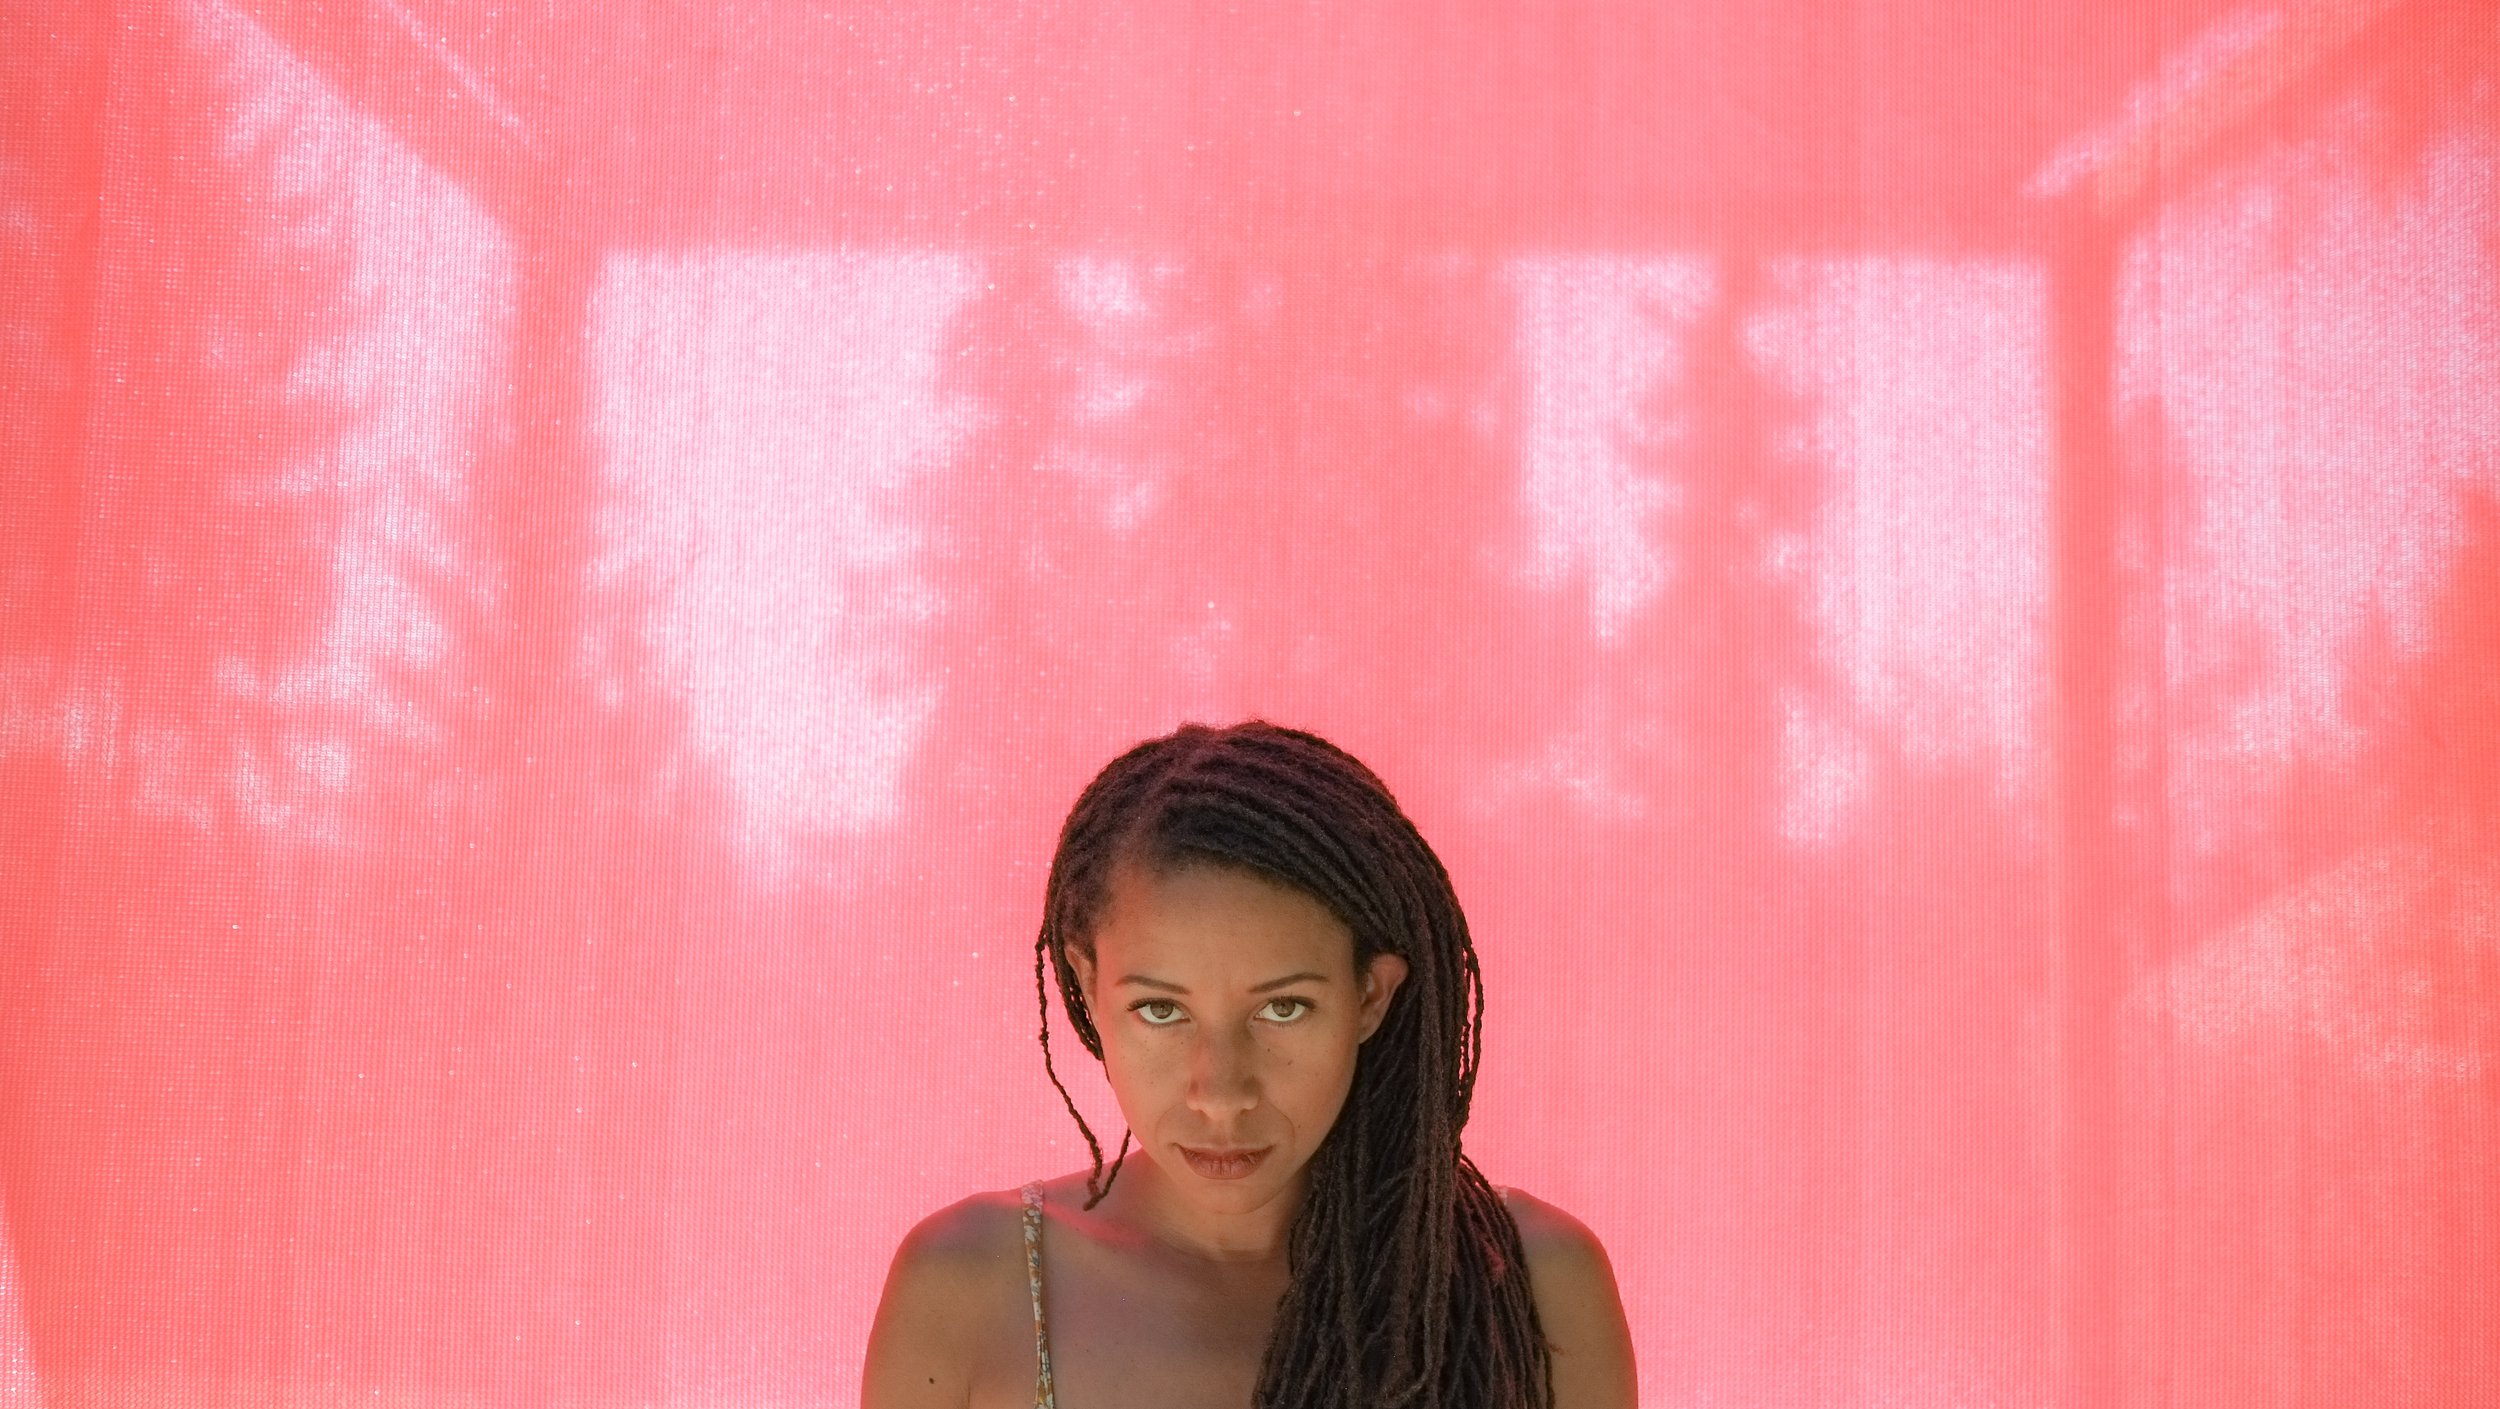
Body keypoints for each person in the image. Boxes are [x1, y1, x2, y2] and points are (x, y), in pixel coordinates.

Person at [862, 721, 1636, 1409]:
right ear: (1089, 987)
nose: (1221, 1094)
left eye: (1284, 1007)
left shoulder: (1533, 1285)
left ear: (1369, 996)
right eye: (1161, 1009)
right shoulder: (969, 1287)